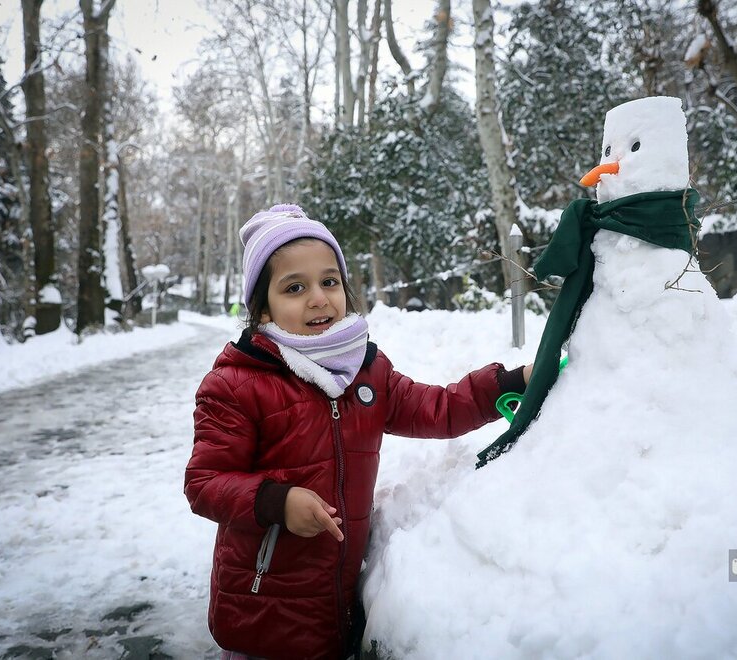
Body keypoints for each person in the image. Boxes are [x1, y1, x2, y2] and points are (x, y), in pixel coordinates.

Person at [185, 204, 531, 660]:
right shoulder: (237, 384)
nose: (318, 298)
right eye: (294, 287)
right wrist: (277, 501)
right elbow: (205, 483)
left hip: (336, 599)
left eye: (329, 281)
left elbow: (437, 408)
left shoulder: (366, 371)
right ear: (262, 311)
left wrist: (505, 384)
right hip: (263, 603)